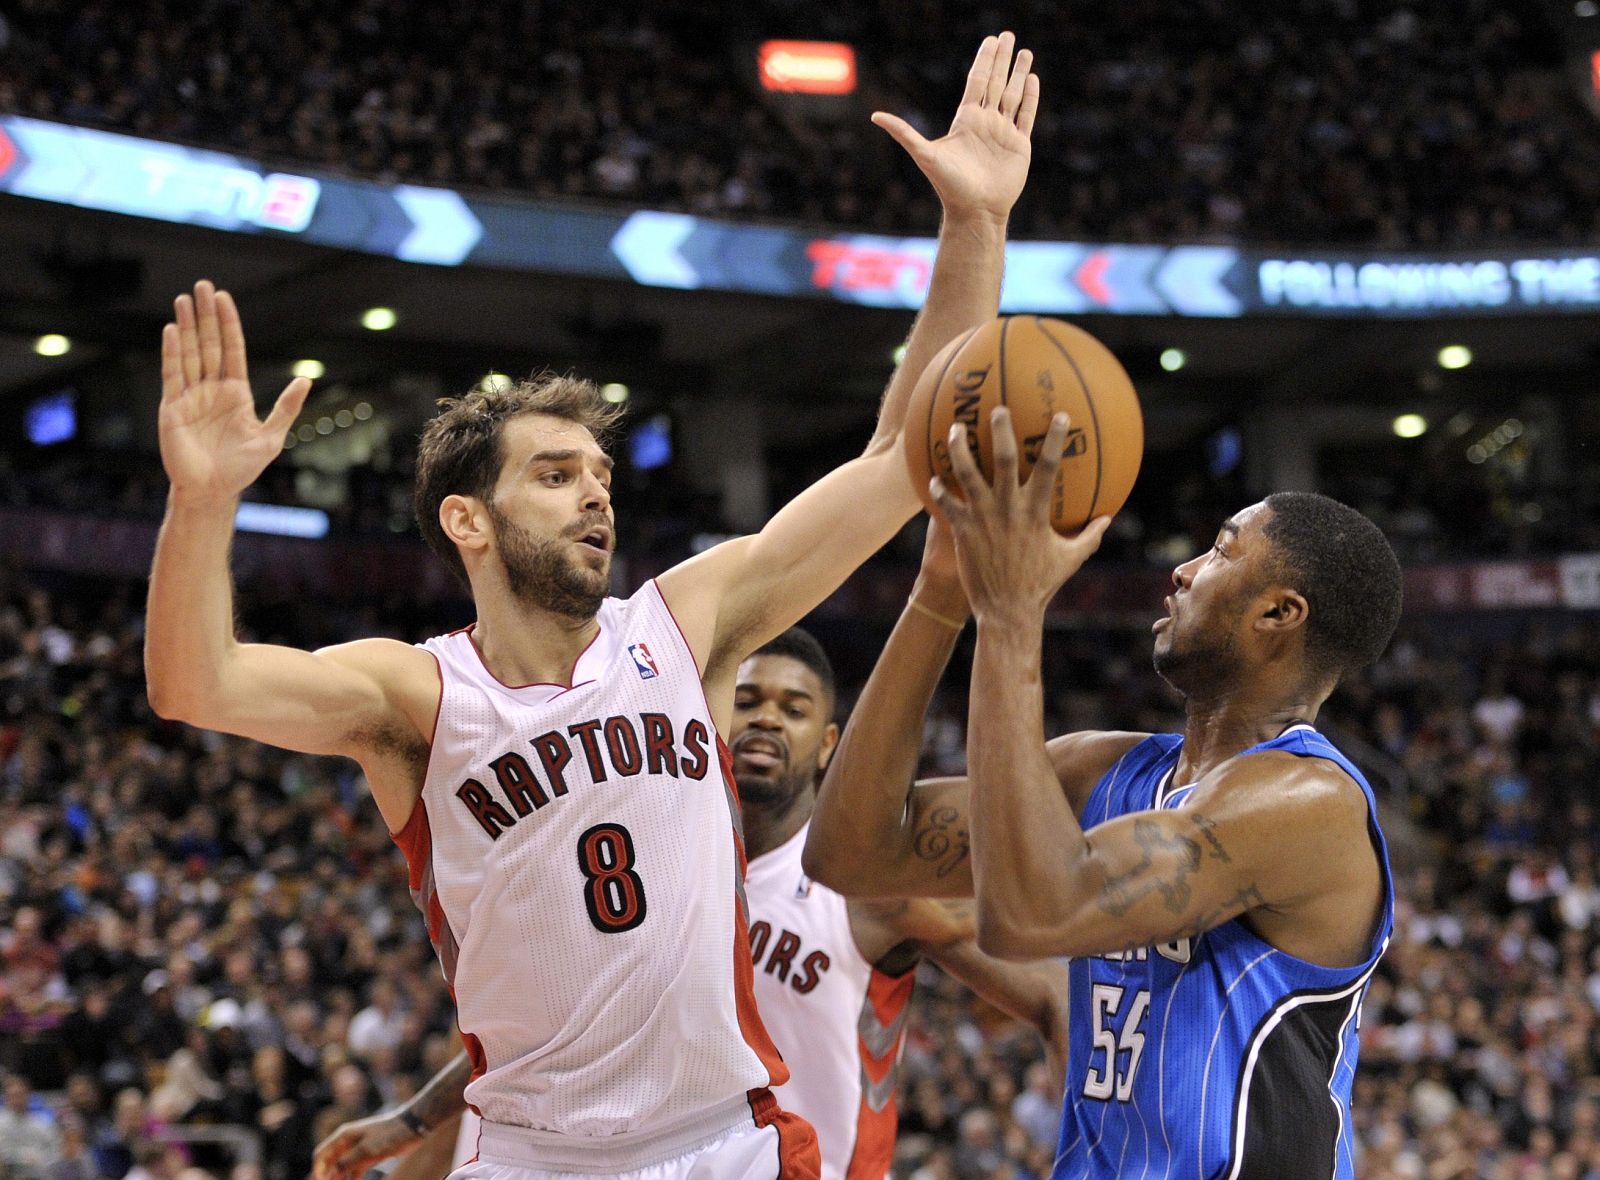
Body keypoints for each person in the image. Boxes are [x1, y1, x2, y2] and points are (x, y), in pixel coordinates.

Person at [144, 32, 1040, 1180]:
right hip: (530, 1156)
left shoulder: (680, 624)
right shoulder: (414, 693)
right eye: (556, 474)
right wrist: (202, 500)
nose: (595, 496)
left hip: (722, 1144)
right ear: (468, 520)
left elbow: (898, 458)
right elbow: (195, 682)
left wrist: (974, 224)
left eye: (601, 476)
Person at [806, 411, 1402, 1180]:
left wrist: (1011, 611)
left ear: (1278, 613)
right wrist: (941, 593)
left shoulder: (1311, 802)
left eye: (1221, 550)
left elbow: (1035, 914)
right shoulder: (1101, 770)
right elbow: (852, 853)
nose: (1183, 570)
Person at [314, 629, 1068, 1180]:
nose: (766, 718)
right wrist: (413, 1119)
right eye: (749, 700)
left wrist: (1091, 1150)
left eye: (794, 708)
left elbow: (1055, 1000)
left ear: (828, 743)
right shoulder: (660, 860)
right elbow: (551, 1038)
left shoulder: (872, 886)